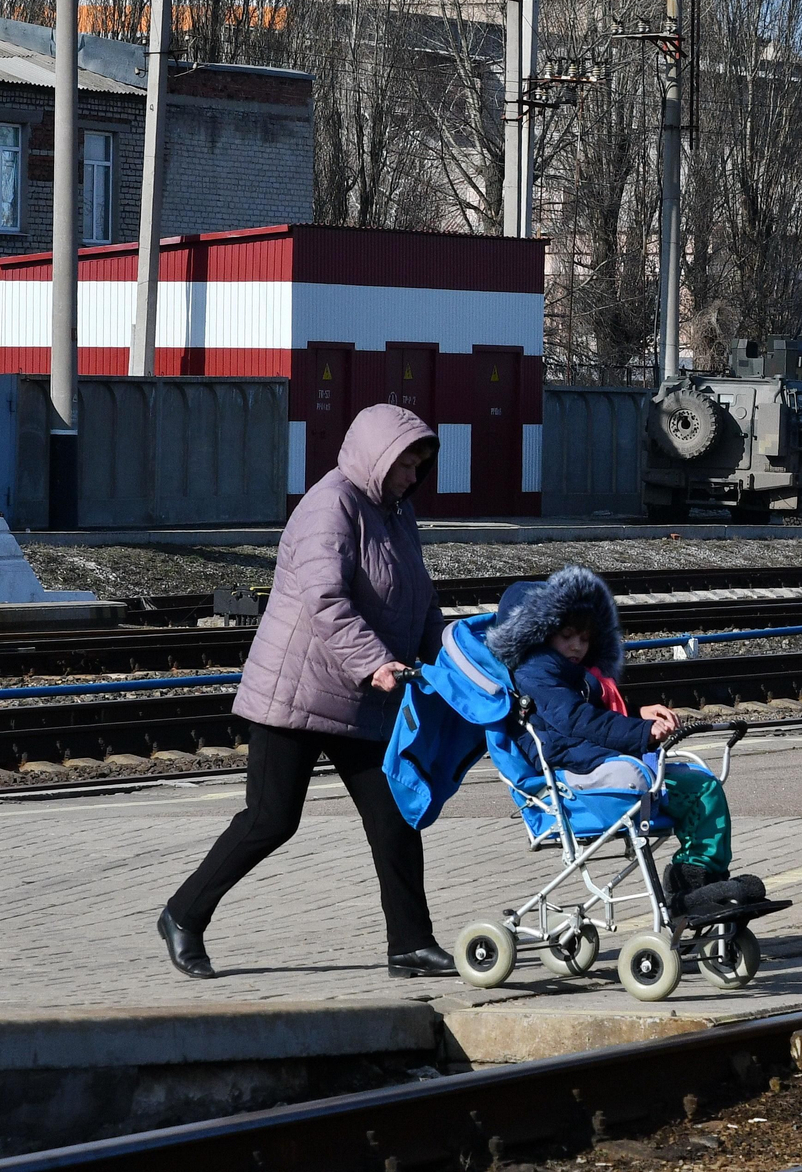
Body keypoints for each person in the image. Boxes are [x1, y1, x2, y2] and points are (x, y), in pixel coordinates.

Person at [160, 404, 453, 979]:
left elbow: (417, 596)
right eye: (403, 465)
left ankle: (411, 945)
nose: (410, 476)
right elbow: (325, 600)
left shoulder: (397, 514)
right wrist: (374, 662)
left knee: (395, 814)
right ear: (376, 456)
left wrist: (452, 652)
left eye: (418, 467)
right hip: (296, 692)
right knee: (271, 819)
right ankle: (183, 915)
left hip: (361, 694)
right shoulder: (331, 505)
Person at [487, 565, 730, 893]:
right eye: (567, 635)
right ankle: (696, 883)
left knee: (703, 784)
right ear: (539, 634)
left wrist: (635, 712)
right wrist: (643, 732)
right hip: (580, 775)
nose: (577, 646)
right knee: (699, 790)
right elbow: (577, 720)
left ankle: (700, 882)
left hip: (593, 764)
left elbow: (586, 714)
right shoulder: (536, 675)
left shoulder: (567, 673)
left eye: (585, 639)